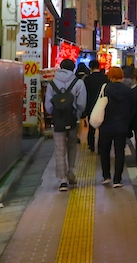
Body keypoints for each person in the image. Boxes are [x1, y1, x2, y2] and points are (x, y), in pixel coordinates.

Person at [44, 59, 87, 192]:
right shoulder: (78, 83)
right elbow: (82, 103)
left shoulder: (52, 84)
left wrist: (55, 114)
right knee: (72, 146)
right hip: (72, 120)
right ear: (73, 68)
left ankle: (62, 180)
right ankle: (71, 171)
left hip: (58, 121)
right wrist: (77, 114)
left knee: (59, 149)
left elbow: (48, 105)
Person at [99, 67, 136, 188]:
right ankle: (117, 179)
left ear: (110, 76)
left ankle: (106, 176)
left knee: (104, 151)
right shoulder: (128, 90)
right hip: (122, 125)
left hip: (106, 125)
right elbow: (132, 109)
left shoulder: (106, 88)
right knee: (119, 152)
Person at [83, 60, 109, 152]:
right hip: (102, 104)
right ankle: (101, 146)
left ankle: (91, 145)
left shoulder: (87, 79)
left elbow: (84, 94)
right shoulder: (105, 78)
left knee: (92, 125)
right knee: (102, 126)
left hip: (90, 104)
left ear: (90, 67)